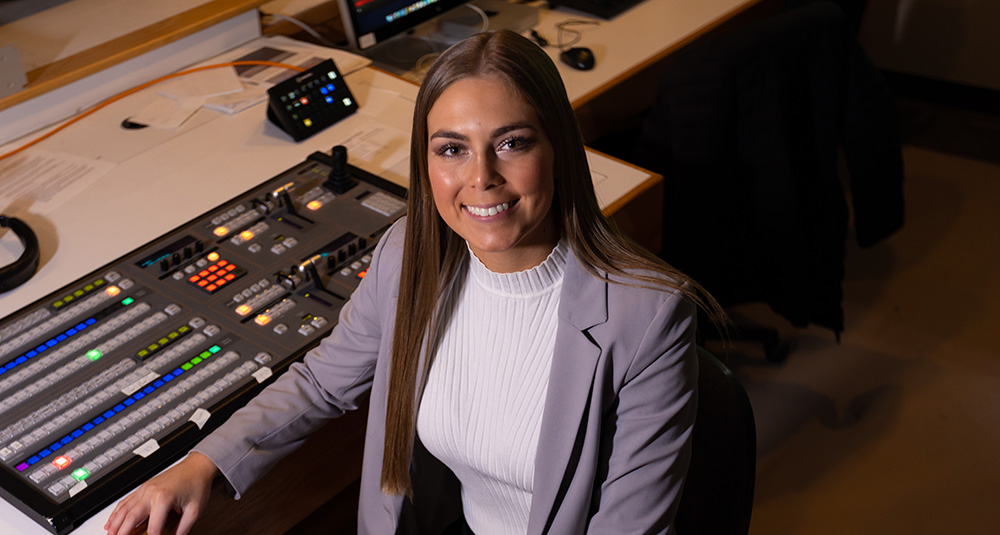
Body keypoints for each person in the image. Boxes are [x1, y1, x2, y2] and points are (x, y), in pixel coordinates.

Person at [105, 29, 723, 535]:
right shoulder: (409, 253)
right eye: (451, 149)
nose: (480, 178)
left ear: (558, 149)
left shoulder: (648, 315)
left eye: (511, 143)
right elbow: (323, 381)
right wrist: (203, 462)